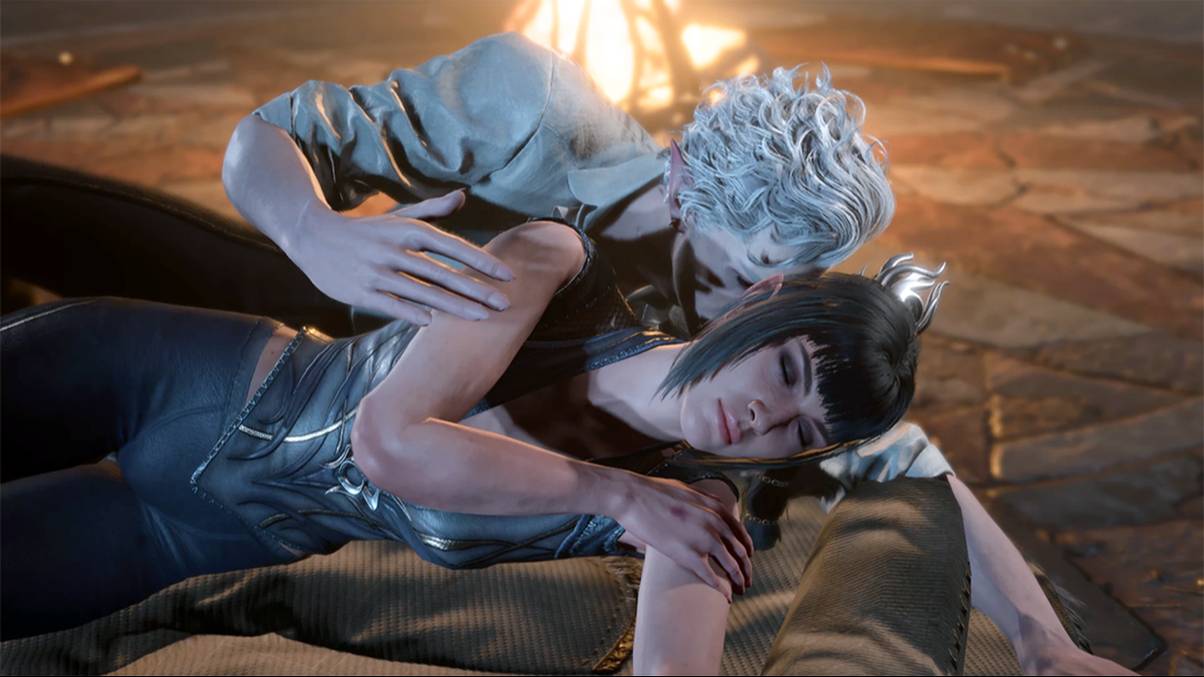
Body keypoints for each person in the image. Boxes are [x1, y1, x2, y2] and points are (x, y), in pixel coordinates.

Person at [0, 210, 1123, 674]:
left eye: (802, 431)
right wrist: (619, 496)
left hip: (183, 533)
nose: (764, 421)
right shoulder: (562, 268)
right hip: (155, 378)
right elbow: (391, 439)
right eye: (783, 372)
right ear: (760, 303)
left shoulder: (695, 512)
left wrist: (1044, 643)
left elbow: (915, 469)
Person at [223, 32, 895, 334]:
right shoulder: (535, 102)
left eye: (792, 283)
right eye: (750, 271)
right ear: (682, 187)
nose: (759, 309)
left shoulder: (749, 306)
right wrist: (315, 234)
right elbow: (265, 138)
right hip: (301, 340)